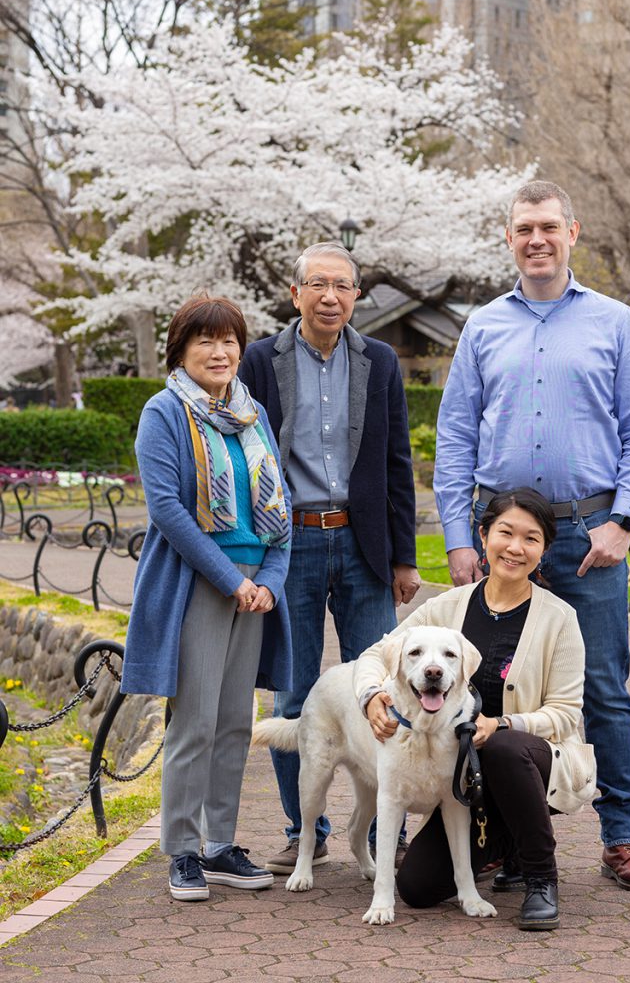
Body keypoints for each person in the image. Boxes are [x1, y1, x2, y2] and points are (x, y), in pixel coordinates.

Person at [434, 180, 630, 892]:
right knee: (494, 689)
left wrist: (622, 522)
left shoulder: (615, 322)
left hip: (590, 537)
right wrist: (457, 536)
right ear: (509, 238)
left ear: (574, 232)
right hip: (500, 541)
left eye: (549, 227)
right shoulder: (481, 328)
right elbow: (455, 435)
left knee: (602, 688)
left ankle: (621, 837)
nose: (537, 239)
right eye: (524, 228)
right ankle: (498, 835)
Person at [239, 241, 421, 874]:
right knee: (293, 696)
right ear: (295, 294)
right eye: (317, 284)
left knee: (380, 690)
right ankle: (304, 827)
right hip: (288, 544)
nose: (330, 297)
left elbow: (397, 461)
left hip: (366, 544)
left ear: (356, 295)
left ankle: (384, 832)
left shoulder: (381, 361)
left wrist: (404, 556)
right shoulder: (260, 361)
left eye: (343, 286)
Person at [354, 488, 597, 930]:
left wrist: (501, 722)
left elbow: (565, 713)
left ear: (544, 550)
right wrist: (371, 695)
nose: (515, 548)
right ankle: (506, 844)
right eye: (505, 533)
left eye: (531, 538)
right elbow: (378, 653)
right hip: (466, 779)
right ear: (483, 536)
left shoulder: (560, 618)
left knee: (503, 748)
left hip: (529, 761)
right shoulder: (447, 606)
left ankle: (541, 876)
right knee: (419, 888)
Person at [121, 293, 293, 902]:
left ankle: (221, 845)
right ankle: (182, 851)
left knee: (232, 722)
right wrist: (233, 580)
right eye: (205, 342)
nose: (219, 352)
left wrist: (269, 580)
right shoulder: (164, 412)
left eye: (229, 341)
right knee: (192, 721)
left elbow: (280, 508)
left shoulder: (251, 413)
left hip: (254, 591)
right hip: (200, 583)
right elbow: (167, 508)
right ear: (182, 350)